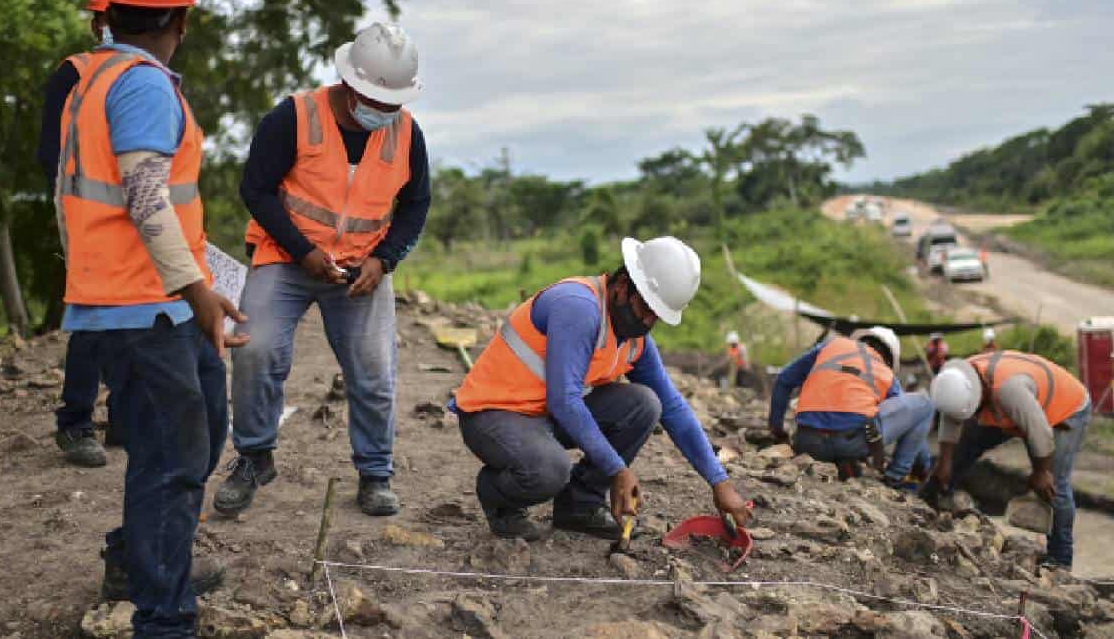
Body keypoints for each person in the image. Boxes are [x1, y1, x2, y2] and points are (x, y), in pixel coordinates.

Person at [54, 0, 247, 632]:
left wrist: (204, 287)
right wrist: (201, 293)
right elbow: (143, 196)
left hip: (149, 300)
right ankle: (164, 618)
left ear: (106, 14)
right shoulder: (140, 85)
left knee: (199, 432)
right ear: (181, 20)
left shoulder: (98, 78)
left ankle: (134, 556)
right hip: (145, 304)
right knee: (172, 461)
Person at [215, 22, 430, 518]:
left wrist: (384, 259)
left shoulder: (407, 134)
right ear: (349, 84)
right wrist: (302, 250)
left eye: (393, 101)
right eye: (375, 98)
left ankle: (376, 473)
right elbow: (256, 190)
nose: (384, 111)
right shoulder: (292, 117)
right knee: (256, 349)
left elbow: (416, 204)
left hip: (361, 269)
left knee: (374, 370)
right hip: (286, 257)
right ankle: (254, 456)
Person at [451, 237, 753, 541]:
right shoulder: (579, 308)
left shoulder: (635, 338)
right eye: (645, 308)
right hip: (493, 414)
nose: (647, 321)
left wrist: (719, 482)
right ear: (622, 285)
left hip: (543, 416)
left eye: (656, 317)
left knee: (645, 404)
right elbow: (565, 401)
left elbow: (672, 406)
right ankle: (498, 498)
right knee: (550, 470)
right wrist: (617, 470)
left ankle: (579, 507)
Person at [37, 0, 116, 468]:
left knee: (141, 313)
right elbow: (50, 151)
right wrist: (75, 211)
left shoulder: (159, 76)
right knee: (95, 312)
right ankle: (76, 424)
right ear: (98, 24)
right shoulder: (74, 73)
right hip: (88, 213)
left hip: (143, 216)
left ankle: (125, 419)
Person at [925, 353, 1091, 570]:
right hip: (1018, 406)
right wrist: (944, 461)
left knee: (1054, 485)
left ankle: (1060, 560)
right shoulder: (958, 379)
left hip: (1066, 409)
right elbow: (952, 416)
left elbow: (1040, 432)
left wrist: (1041, 472)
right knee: (966, 444)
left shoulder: (1009, 391)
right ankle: (936, 499)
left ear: (979, 395)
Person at [769, 327, 933, 485]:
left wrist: (777, 431)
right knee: (925, 404)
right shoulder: (886, 373)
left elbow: (783, 379)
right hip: (851, 444)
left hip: (806, 443)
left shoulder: (831, 346)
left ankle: (841, 460)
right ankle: (895, 476)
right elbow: (908, 418)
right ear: (889, 358)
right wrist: (923, 464)